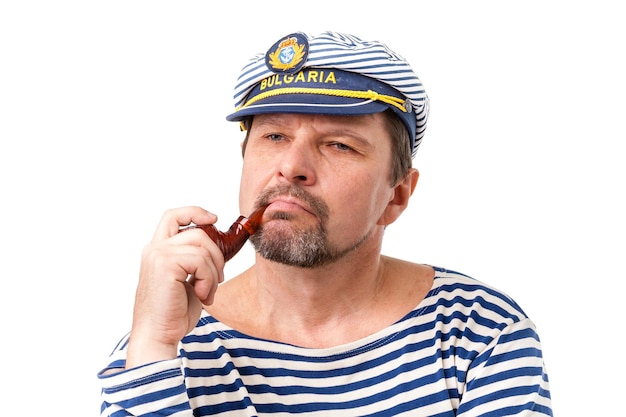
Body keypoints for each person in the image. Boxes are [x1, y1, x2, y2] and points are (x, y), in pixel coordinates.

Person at [98, 31, 553, 416]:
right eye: (274, 136)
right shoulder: (163, 350)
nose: (291, 167)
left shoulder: (481, 332)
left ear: (396, 196)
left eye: (339, 145)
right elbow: (152, 357)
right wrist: (154, 346)